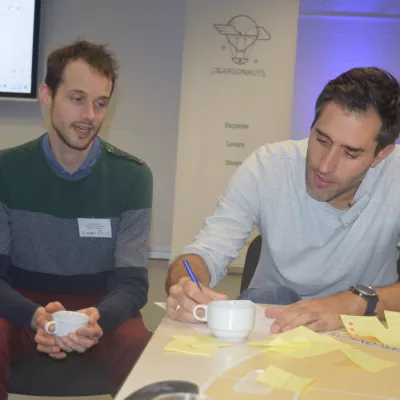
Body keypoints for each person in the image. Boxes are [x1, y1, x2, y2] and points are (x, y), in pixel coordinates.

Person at [166, 67, 400, 335]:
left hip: (365, 328)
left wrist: (353, 303)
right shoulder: (267, 167)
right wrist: (184, 284)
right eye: (322, 140)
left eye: (350, 154)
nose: (325, 166)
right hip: (273, 319)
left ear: (381, 155)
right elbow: (206, 252)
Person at [0, 40, 152, 399]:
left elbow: (132, 284)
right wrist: (36, 316)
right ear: (46, 95)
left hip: (99, 311)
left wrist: (95, 318)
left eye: (100, 103)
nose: (90, 115)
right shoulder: (6, 171)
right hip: (23, 307)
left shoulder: (133, 176)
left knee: (140, 346)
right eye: (77, 98)